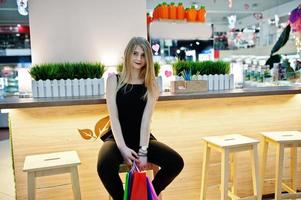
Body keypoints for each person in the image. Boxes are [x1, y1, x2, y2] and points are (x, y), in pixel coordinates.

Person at [97, 37, 184, 200]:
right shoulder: (113, 80)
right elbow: (113, 117)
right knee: (104, 165)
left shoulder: (151, 85)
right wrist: (122, 147)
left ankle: (147, 195)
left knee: (176, 162)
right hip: (116, 139)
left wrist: (143, 152)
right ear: (128, 54)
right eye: (135, 53)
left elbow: (146, 122)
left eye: (143, 55)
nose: (138, 58)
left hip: (143, 140)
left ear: (148, 59)